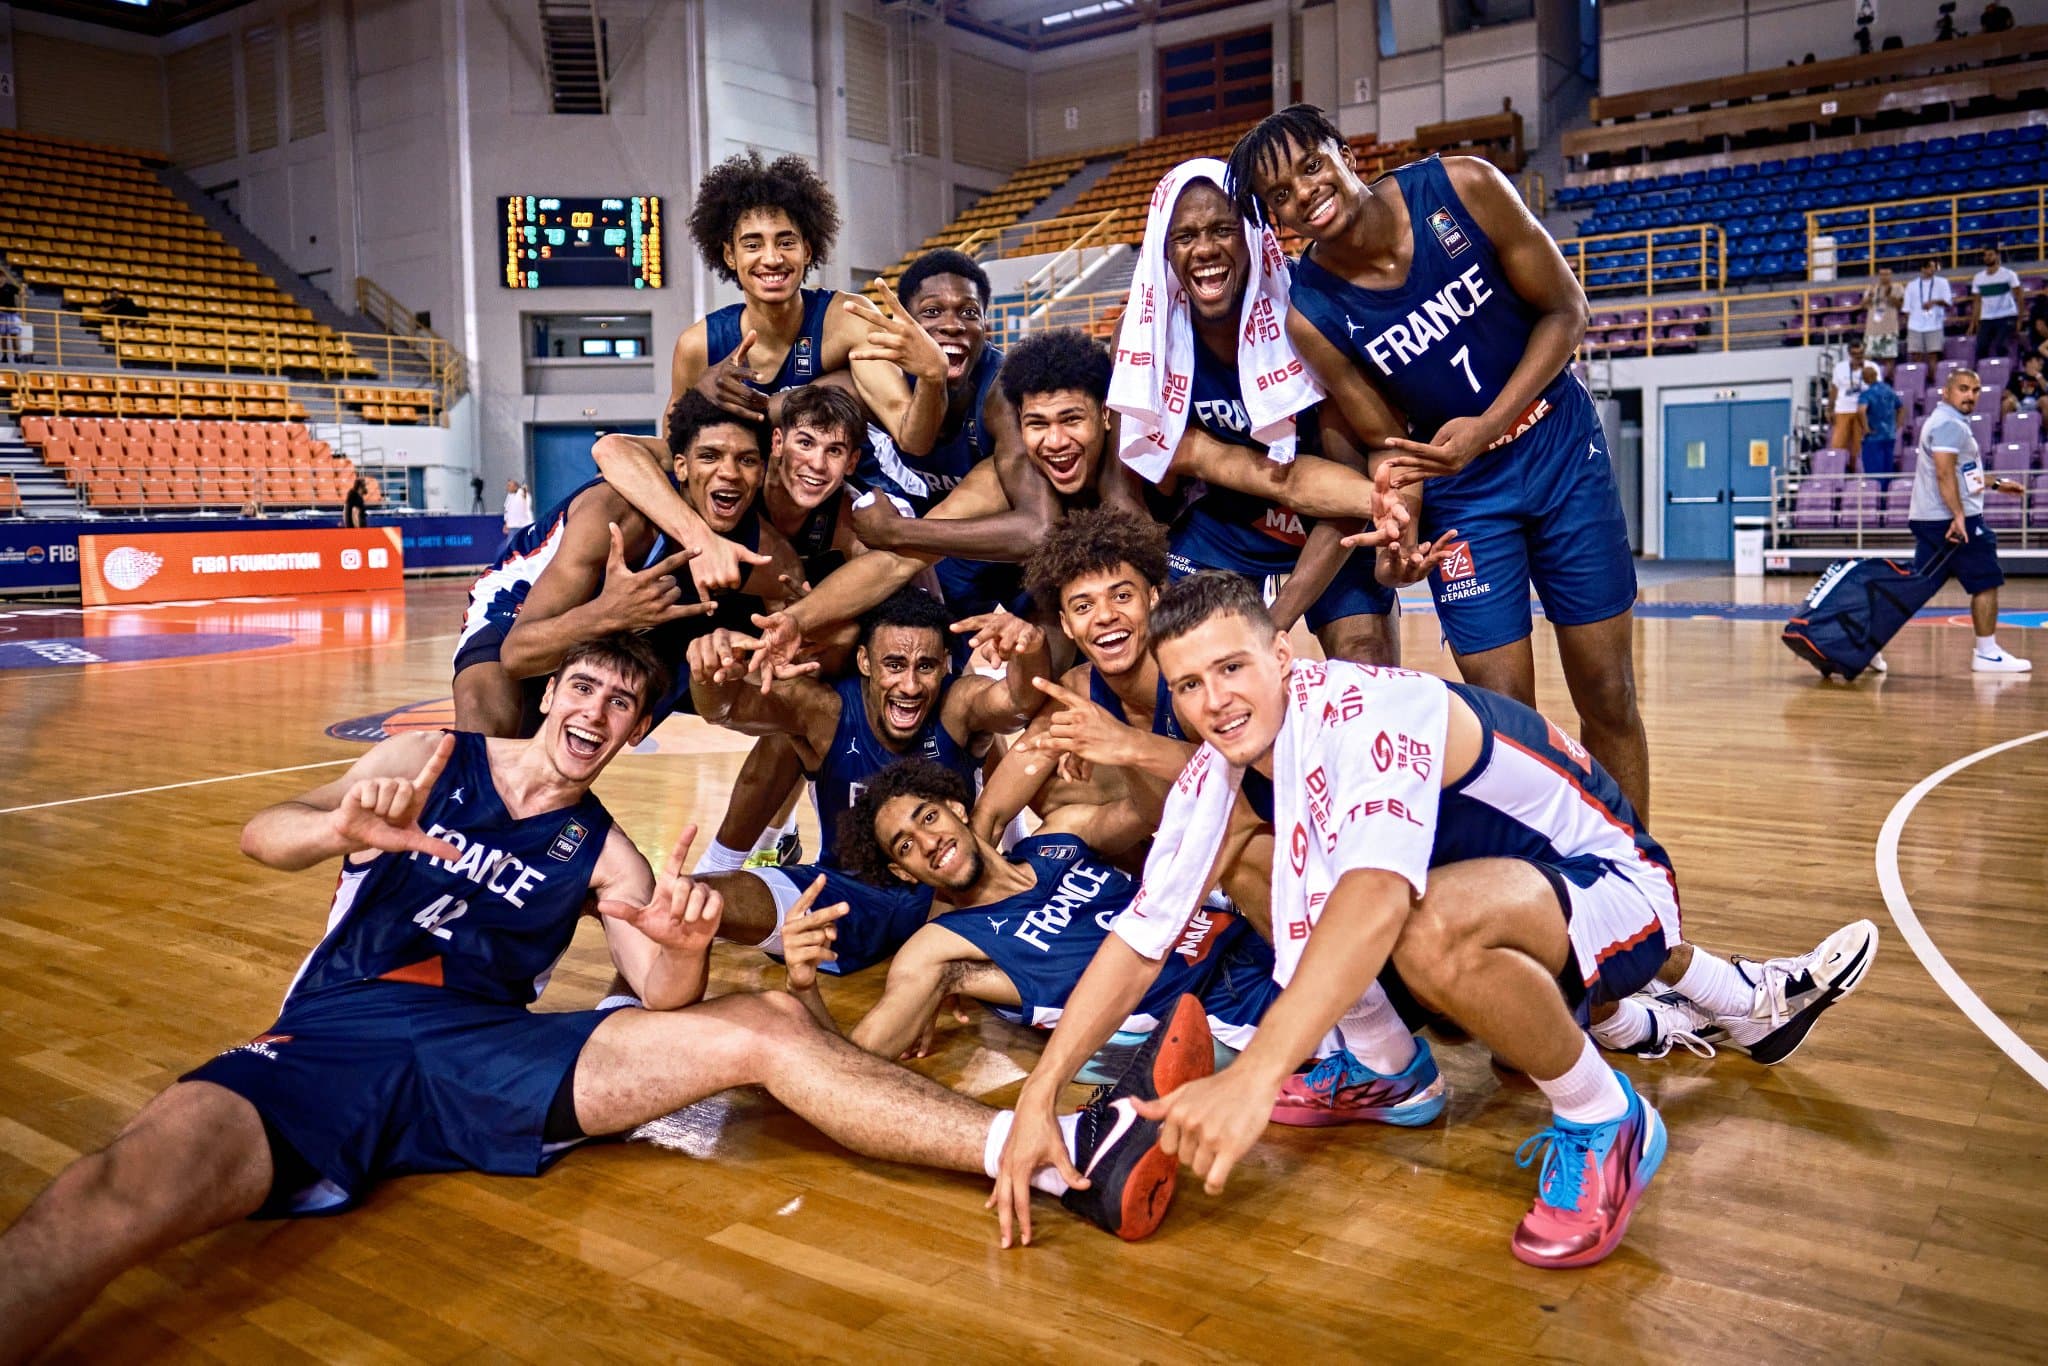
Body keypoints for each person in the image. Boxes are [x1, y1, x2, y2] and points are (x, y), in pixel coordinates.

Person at [0, 636, 1208, 1360]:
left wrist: (680, 932)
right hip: (330, 1043)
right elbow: (258, 836)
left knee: (771, 1022)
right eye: (585, 689)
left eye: (622, 707)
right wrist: (331, 828)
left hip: (486, 1057)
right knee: (116, 1190)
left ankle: (1053, 1148)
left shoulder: (605, 852)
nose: (597, 714)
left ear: (632, 731)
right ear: (553, 692)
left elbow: (663, 991)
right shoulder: (430, 761)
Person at [995, 573, 1880, 1269]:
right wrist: (1040, 1100)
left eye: (1232, 669)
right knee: (1258, 862)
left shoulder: (1372, 709)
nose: (1213, 701)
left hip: (1611, 885)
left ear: (1286, 661)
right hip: (1495, 893)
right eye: (1188, 684)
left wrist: (1255, 1075)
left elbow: (1379, 898)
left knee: (1419, 924)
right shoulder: (1218, 775)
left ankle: (1606, 1118)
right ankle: (1389, 1073)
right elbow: (1137, 943)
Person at [1226, 105, 1651, 818]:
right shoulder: (1312, 314)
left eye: (1310, 165)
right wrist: (1400, 538)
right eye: (1279, 194)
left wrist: (1486, 425)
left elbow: (1566, 311)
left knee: (1607, 692)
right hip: (1464, 494)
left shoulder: (1463, 187)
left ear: (1345, 155)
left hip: (1558, 448)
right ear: (1276, 220)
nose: (1303, 192)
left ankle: (1645, 893)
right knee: (1505, 719)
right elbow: (1387, 442)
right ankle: (1551, 886)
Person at [807, 758, 1289, 1087]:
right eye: (906, 846)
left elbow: (1154, 810)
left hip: (1250, 933)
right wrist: (803, 987)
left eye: (928, 818)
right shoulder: (941, 945)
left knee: (1244, 835)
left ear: (956, 809)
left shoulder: (1061, 833)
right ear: (901, 871)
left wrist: (1120, 745)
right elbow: (852, 1061)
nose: (928, 841)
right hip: (1222, 1008)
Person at [1108, 159, 1402, 667]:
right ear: (1164, 247)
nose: (1205, 250)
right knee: (1188, 663)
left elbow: (1352, 495)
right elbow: (1126, 491)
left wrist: (1271, 623)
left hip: (1329, 520)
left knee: (1365, 660)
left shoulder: (1309, 311)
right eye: (1185, 236)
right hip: (1227, 524)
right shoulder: (1141, 335)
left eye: (1223, 229)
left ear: (1251, 235)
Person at [681, 587, 1050, 978]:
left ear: (945, 665)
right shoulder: (825, 711)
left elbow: (1018, 703)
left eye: (925, 666)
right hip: (845, 896)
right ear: (865, 661)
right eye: (894, 664)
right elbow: (727, 709)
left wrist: (1028, 648)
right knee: (685, 901)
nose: (909, 686)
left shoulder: (958, 705)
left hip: (947, 896)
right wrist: (710, 671)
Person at [451, 392, 800, 736]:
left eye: (747, 460)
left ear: (763, 470)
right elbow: (516, 655)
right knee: (484, 735)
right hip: (519, 602)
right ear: (681, 466)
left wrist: (780, 643)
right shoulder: (616, 515)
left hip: (630, 619)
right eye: (710, 456)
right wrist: (610, 614)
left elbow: (795, 611)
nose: (729, 473)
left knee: (586, 739)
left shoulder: (765, 550)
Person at [672, 150, 945, 459]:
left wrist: (933, 377)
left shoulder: (849, 319)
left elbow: (913, 439)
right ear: (730, 256)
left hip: (844, 494)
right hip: (752, 494)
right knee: (616, 450)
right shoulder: (697, 345)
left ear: (808, 251)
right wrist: (700, 400)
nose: (772, 258)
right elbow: (674, 456)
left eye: (787, 242)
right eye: (752, 245)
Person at [1907, 369, 2031, 673]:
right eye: (1963, 389)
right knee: (1986, 580)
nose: (1970, 396)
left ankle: (1867, 643)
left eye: (1975, 390)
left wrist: (1997, 483)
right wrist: (1959, 516)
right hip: (1950, 520)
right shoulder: (1950, 424)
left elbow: (1964, 472)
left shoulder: (1948, 423)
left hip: (1932, 517)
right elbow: (1944, 472)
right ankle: (1987, 653)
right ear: (1946, 392)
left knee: (1914, 588)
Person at [1970, 246, 2023, 365]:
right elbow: (1977, 301)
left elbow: (2019, 296)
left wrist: (2019, 319)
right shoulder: (1978, 277)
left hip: (2007, 316)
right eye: (1985, 255)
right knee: (1981, 347)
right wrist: (1974, 322)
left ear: (1997, 256)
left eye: (1990, 255)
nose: (1987, 258)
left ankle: (2006, 369)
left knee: (2000, 345)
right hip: (1987, 318)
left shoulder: (2009, 274)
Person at [1904, 259, 1954, 368]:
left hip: (1934, 325)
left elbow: (1948, 302)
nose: (1933, 269)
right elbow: (1906, 309)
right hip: (1915, 326)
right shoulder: (1912, 285)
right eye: (1930, 267)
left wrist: (1934, 302)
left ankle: (1934, 381)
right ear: (1923, 269)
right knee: (1916, 355)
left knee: (1933, 355)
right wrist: (1909, 324)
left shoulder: (1942, 282)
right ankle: (1919, 381)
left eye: (1934, 267)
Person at [1857, 362, 1902, 478]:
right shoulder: (1889, 390)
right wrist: (1897, 425)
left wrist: (1866, 428)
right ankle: (1886, 495)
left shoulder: (1867, 394)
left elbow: (1861, 411)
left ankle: (1877, 496)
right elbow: (1901, 407)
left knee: (1875, 474)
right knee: (1887, 470)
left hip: (1874, 438)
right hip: (1889, 436)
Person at [1830, 339, 1870, 456]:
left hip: (1862, 411)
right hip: (1843, 410)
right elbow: (1834, 389)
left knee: (1858, 448)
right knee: (1838, 446)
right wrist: (1829, 409)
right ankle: (1839, 471)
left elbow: (1877, 389)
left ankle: (1856, 472)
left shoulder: (1872, 367)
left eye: (1860, 354)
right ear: (1849, 354)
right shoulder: (1840, 367)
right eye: (1855, 354)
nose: (1858, 357)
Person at [1861, 267, 1904, 364]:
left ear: (1891, 275)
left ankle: (1888, 379)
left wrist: (1889, 296)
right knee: (1868, 359)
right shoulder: (1872, 288)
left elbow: (1901, 306)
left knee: (1889, 358)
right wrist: (1870, 296)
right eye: (1882, 274)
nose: (1884, 277)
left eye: (1887, 274)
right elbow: (1863, 306)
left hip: (1889, 329)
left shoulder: (1897, 287)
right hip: (1872, 329)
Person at [2004, 352, 2044, 416]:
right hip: (2019, 404)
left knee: (2045, 401)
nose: (2041, 363)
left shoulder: (2043, 377)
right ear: (2028, 363)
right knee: (2007, 403)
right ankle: (2007, 425)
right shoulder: (2016, 376)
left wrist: (2038, 376)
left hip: (2037, 404)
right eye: (2037, 360)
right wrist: (2012, 397)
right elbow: (2006, 392)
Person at [0, 268, 21, 362]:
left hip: (12, 314)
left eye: (2, 277)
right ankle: (5, 356)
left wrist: (23, 290)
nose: (1, 279)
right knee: (3, 336)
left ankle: (17, 356)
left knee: (14, 336)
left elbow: (20, 293)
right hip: (1, 314)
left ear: (4, 278)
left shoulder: (10, 287)